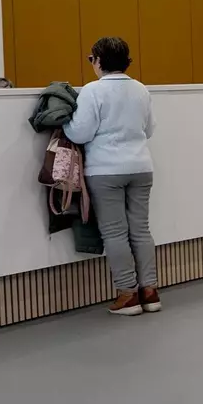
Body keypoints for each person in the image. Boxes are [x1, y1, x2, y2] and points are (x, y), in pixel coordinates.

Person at [63, 37, 161, 316]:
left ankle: (127, 295)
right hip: (141, 166)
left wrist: (66, 125)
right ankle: (150, 292)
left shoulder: (92, 91)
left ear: (99, 61)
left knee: (115, 232)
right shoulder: (141, 89)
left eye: (91, 59)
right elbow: (149, 129)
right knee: (140, 229)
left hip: (105, 170)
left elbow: (80, 133)